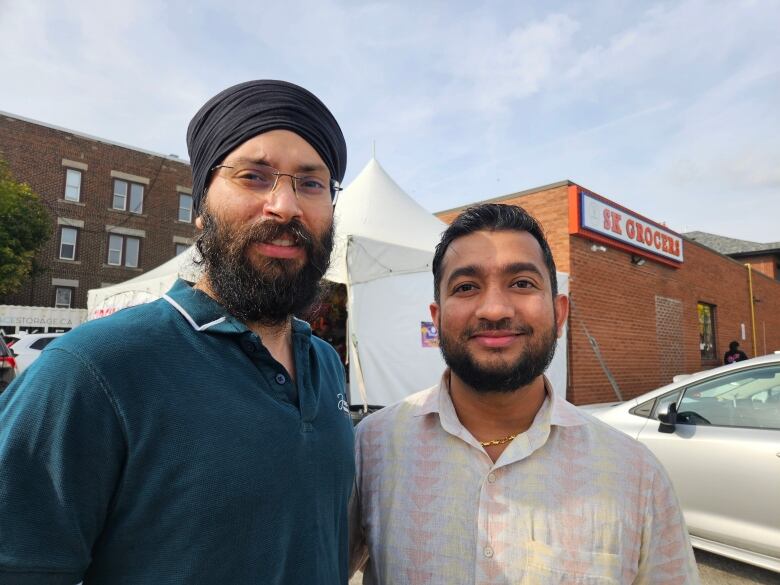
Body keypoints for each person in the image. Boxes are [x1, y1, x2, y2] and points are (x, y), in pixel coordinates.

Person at [0, 80, 355, 585]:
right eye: (254, 176)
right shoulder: (95, 369)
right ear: (200, 207)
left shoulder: (324, 364)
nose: (285, 205)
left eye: (312, 183)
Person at [349, 203, 700, 584]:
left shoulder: (635, 473)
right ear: (436, 319)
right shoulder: (373, 448)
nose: (495, 310)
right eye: (466, 287)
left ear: (559, 313)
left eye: (522, 283)